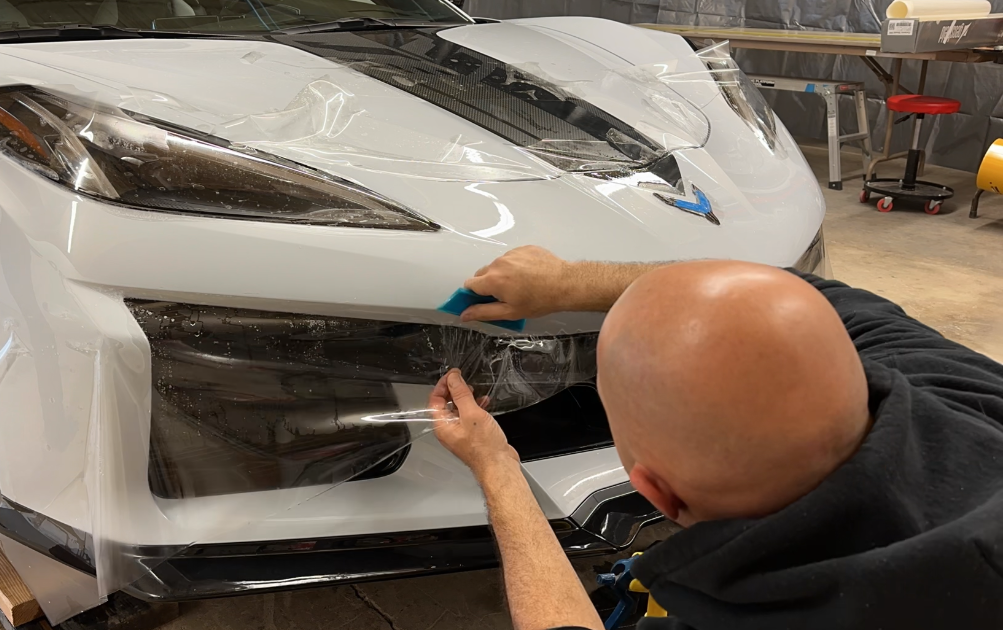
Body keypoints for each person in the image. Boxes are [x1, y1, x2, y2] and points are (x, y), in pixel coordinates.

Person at [429, 246, 1003, 630]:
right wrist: (565, 282)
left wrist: (498, 467)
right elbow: (787, 290)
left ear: (657, 495)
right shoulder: (963, 388)